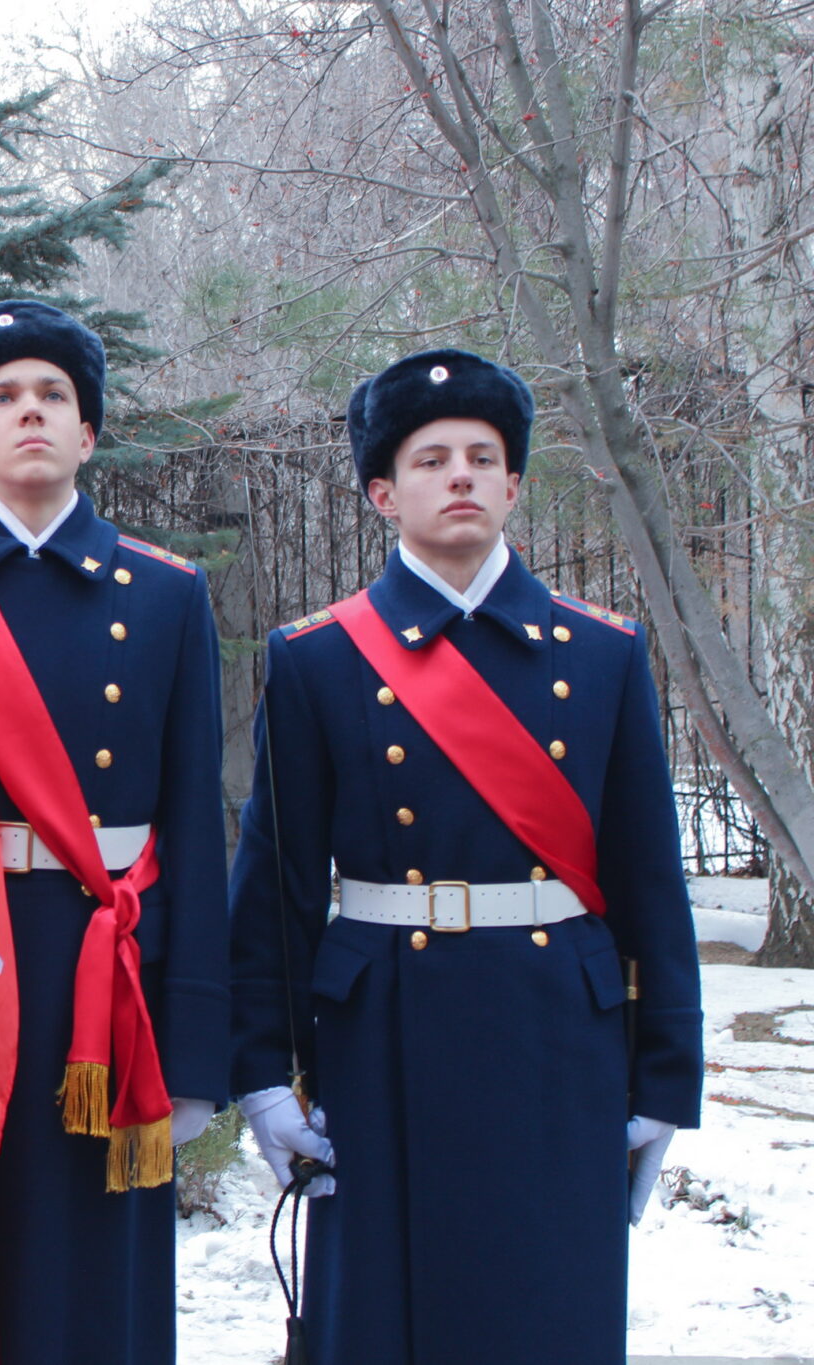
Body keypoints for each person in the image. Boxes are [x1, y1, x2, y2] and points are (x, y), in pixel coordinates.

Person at [229, 348, 703, 1363]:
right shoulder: (317, 659)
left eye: (482, 458)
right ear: (379, 492)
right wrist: (264, 1074)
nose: (458, 476)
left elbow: (649, 884)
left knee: (546, 1312)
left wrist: (664, 1080)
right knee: (385, 1319)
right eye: (430, 457)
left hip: (558, 1041)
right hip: (382, 1037)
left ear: (513, 485)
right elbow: (274, 885)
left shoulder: (602, 654)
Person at [0, 300, 230, 1364]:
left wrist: (197, 1047)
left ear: (87, 433)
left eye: (52, 396)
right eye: (1, 397)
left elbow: (197, 823)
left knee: (95, 1273)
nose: (29, 414)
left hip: (102, 976)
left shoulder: (160, 594)